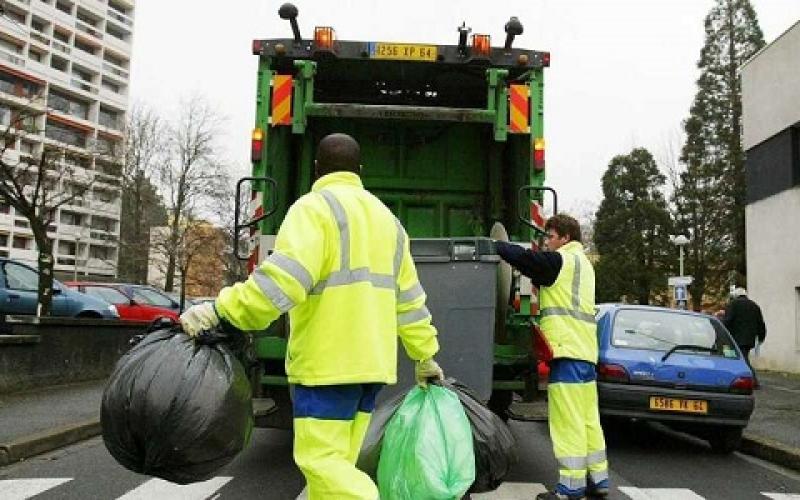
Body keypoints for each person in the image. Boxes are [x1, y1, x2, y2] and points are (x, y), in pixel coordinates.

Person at [180, 133, 444, 500]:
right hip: (372, 368)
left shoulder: (313, 210)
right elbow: (410, 300)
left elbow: (280, 285)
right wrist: (425, 355)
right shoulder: (389, 222)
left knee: (322, 462)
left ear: (317, 169)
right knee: (336, 472)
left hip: (327, 365)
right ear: (360, 170)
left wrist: (220, 311)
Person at [494, 214, 608, 500]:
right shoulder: (584, 265)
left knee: (567, 421)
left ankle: (570, 488)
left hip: (566, 352)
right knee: (588, 419)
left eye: (551, 237)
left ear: (565, 238)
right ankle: (599, 479)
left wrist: (497, 246)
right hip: (585, 353)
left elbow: (528, 260)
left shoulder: (562, 261)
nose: (547, 242)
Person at [722, 287, 766, 386]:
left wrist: (722, 331)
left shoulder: (733, 304)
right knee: (742, 357)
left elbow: (728, 321)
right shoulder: (754, 306)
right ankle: (741, 379)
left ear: (735, 296)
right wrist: (761, 337)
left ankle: (753, 380)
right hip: (750, 339)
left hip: (735, 338)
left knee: (742, 359)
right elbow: (761, 324)